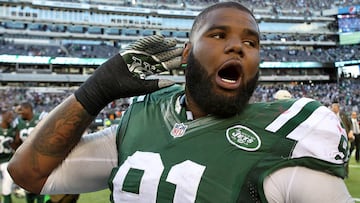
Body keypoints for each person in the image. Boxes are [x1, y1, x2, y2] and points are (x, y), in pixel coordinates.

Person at [8, 2, 353, 202]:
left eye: (251, 42)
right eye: (218, 35)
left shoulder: (285, 136)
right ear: (186, 54)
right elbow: (28, 173)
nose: (238, 47)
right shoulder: (142, 119)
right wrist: (97, 89)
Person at [15, 102, 80, 203]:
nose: (19, 112)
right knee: (31, 190)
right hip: (29, 161)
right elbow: (17, 142)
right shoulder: (18, 123)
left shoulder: (42, 117)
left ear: (29, 108)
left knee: (46, 189)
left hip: (44, 159)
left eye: (21, 109)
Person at [0, 109, 17, 203]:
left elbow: (17, 145)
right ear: (2, 116)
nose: (11, 118)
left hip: (7, 160)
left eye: (12, 116)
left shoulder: (13, 130)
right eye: (9, 116)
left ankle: (6, 200)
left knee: (8, 180)